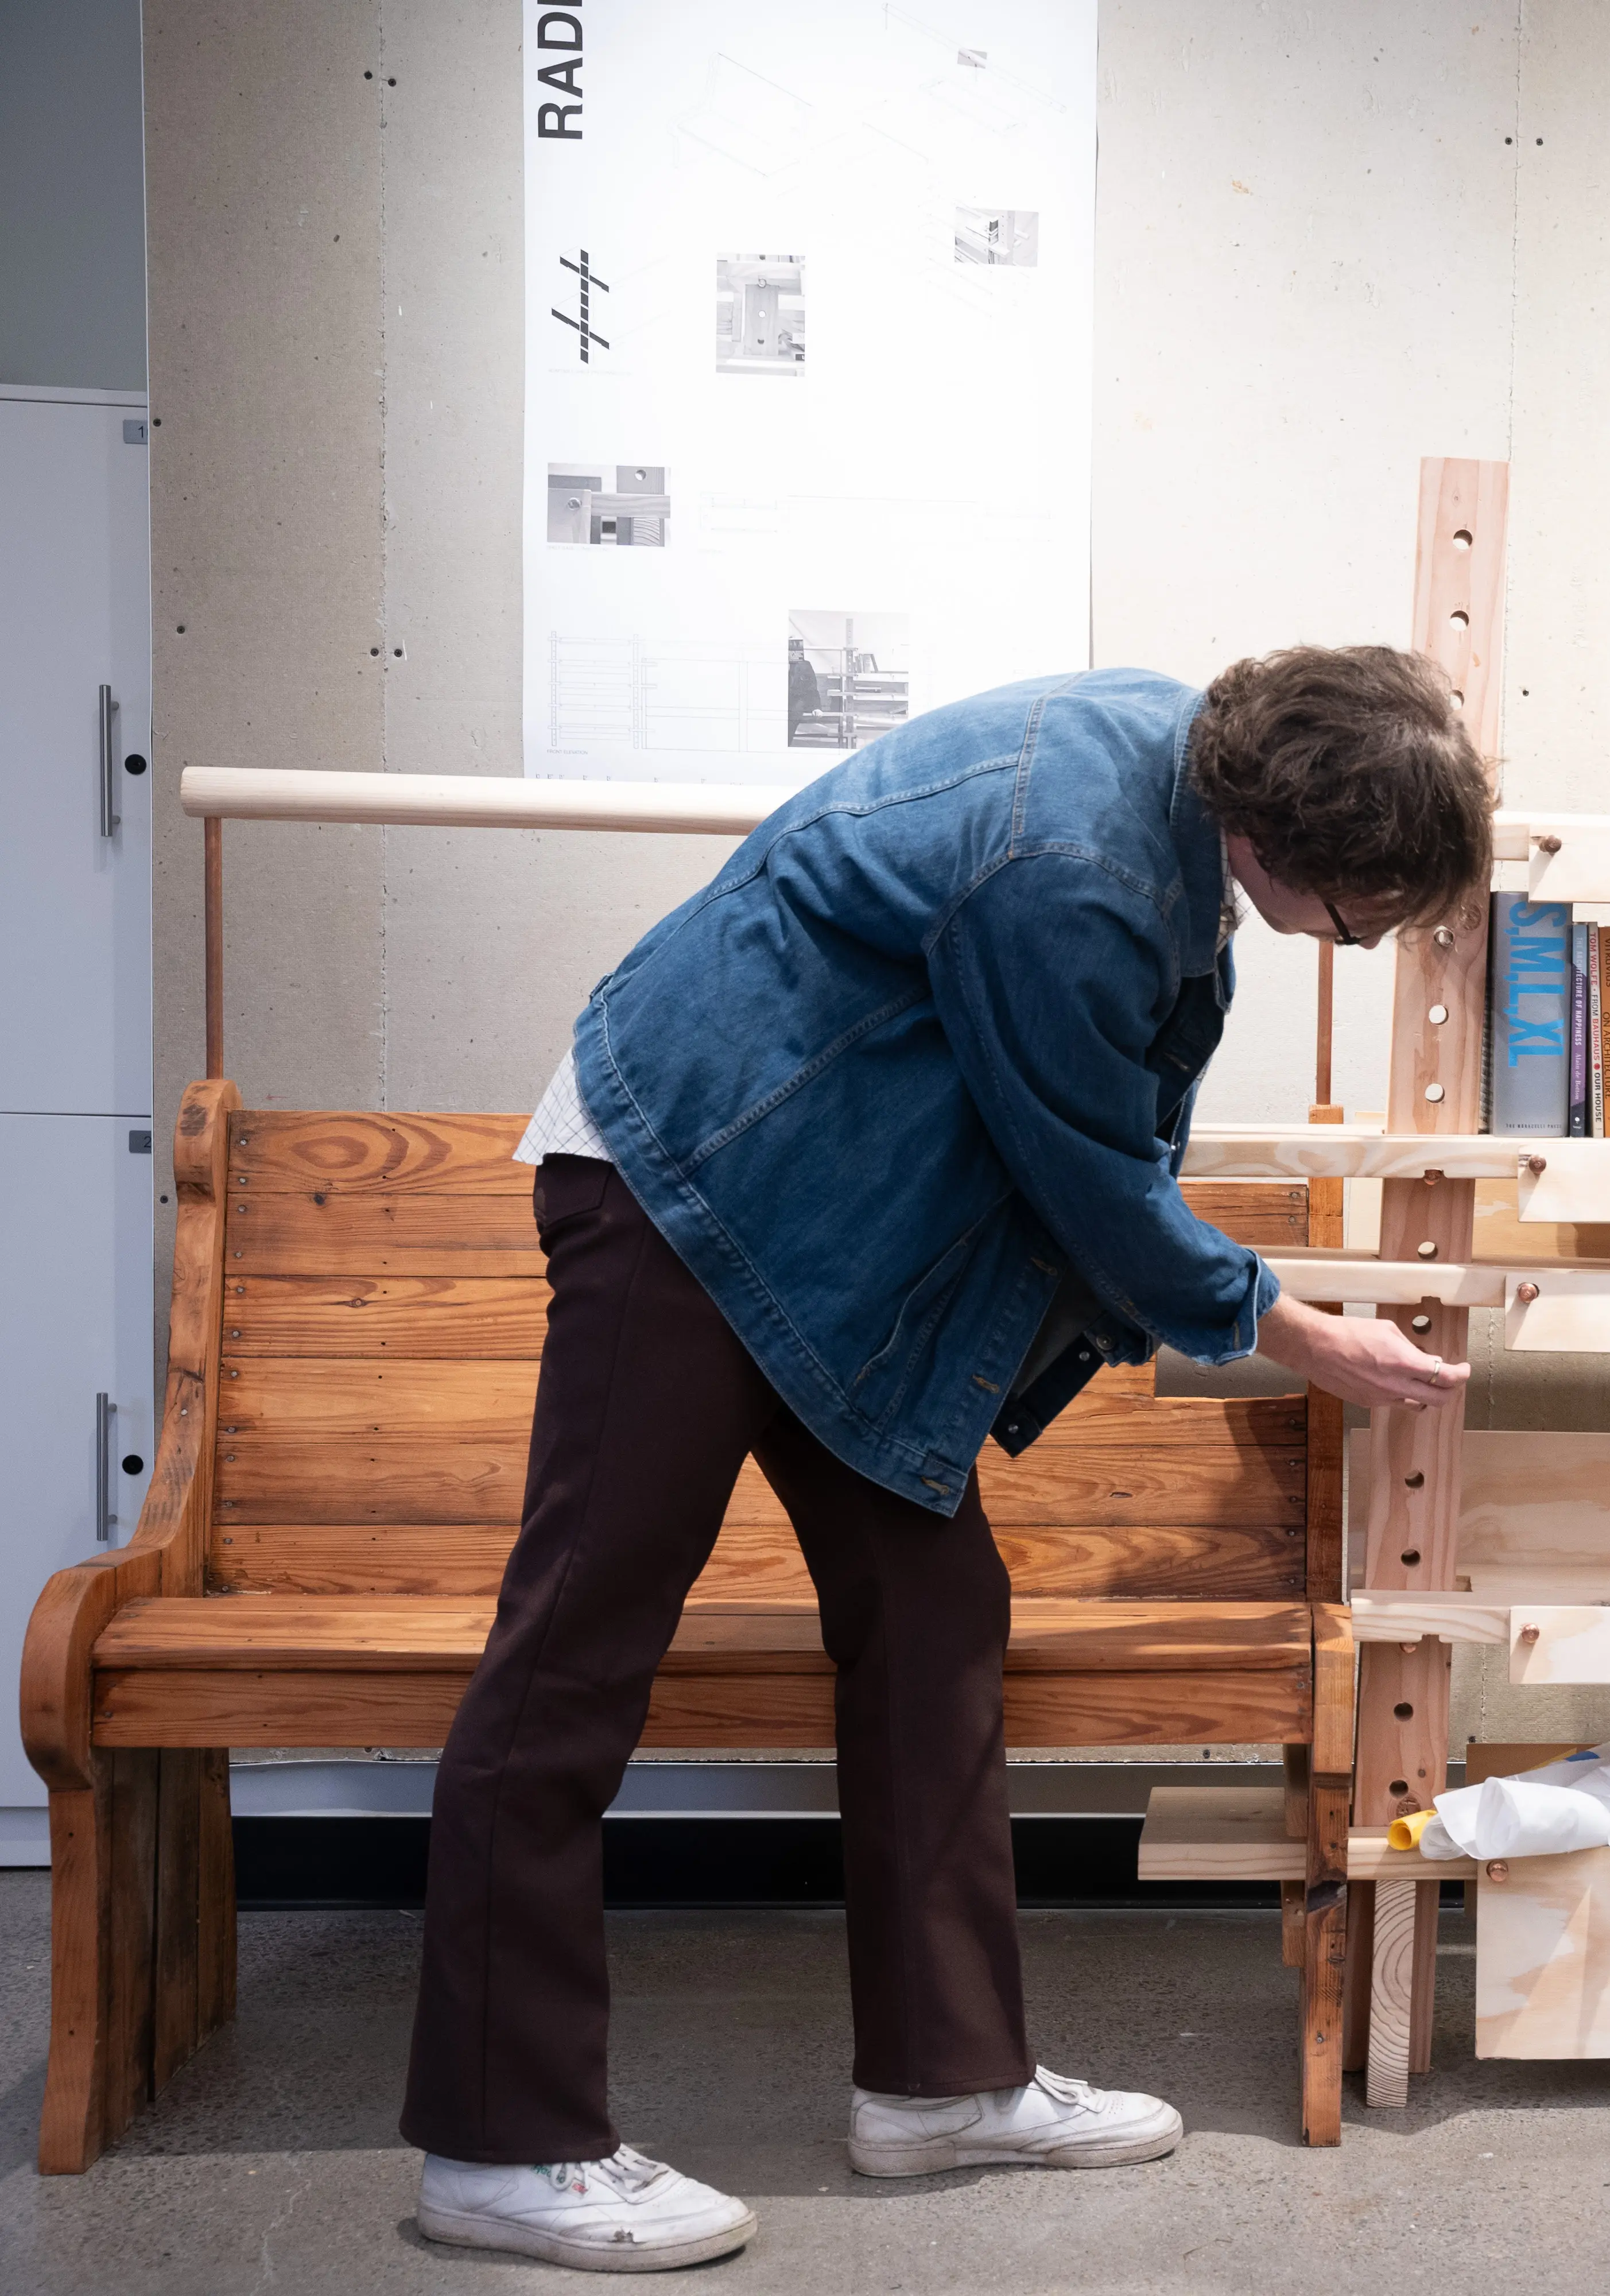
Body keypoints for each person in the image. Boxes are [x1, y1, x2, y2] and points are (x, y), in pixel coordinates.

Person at [401, 650, 1494, 2271]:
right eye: (1377, 913)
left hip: (821, 1217)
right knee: (575, 1647)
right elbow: (1085, 1177)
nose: (1375, 943)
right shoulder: (1077, 869)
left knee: (932, 1618)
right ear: (1301, 852)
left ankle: (941, 2084)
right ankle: (498, 2145)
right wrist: (1296, 1327)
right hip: (685, 1176)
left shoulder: (1181, 763)